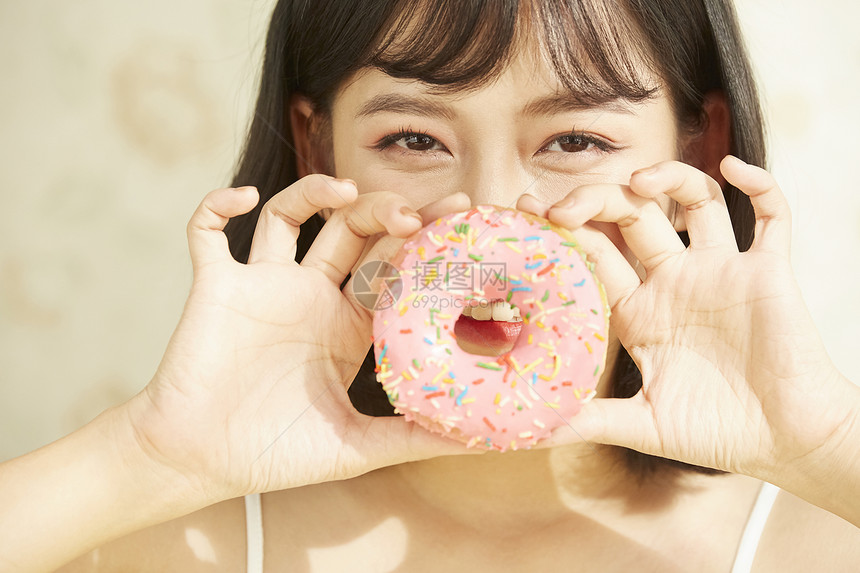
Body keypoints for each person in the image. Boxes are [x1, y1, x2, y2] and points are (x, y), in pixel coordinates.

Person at [2, 0, 860, 570]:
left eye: (575, 141)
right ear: (318, 151)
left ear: (696, 153)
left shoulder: (816, 535)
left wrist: (824, 447)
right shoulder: (179, 541)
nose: (487, 211)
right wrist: (146, 457)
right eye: (414, 139)